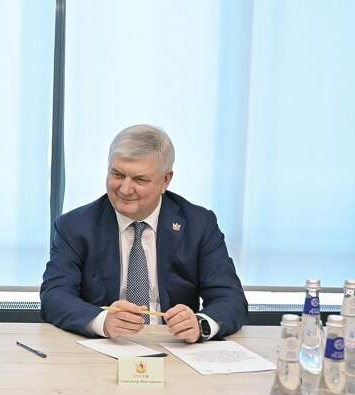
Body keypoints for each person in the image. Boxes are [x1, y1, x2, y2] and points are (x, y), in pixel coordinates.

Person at [40, 124, 247, 342]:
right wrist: (102, 320)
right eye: (117, 174)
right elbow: (54, 296)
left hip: (175, 345)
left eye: (140, 179)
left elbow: (230, 299)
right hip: (104, 346)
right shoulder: (75, 226)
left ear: (166, 180)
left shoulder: (199, 224)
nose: (125, 189)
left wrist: (199, 324)